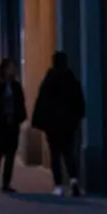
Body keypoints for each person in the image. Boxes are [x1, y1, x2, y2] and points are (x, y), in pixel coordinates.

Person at [31, 52, 86, 197]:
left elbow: (42, 101)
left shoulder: (50, 79)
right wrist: (77, 118)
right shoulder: (71, 78)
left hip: (53, 125)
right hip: (68, 124)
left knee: (55, 154)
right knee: (69, 153)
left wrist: (41, 121)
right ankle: (74, 181)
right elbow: (79, 100)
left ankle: (59, 185)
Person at [0, 59, 27, 193]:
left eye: (13, 68)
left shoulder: (16, 86)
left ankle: (6, 182)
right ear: (3, 70)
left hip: (12, 124)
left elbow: (21, 102)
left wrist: (19, 117)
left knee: (10, 154)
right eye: (10, 68)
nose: (13, 71)